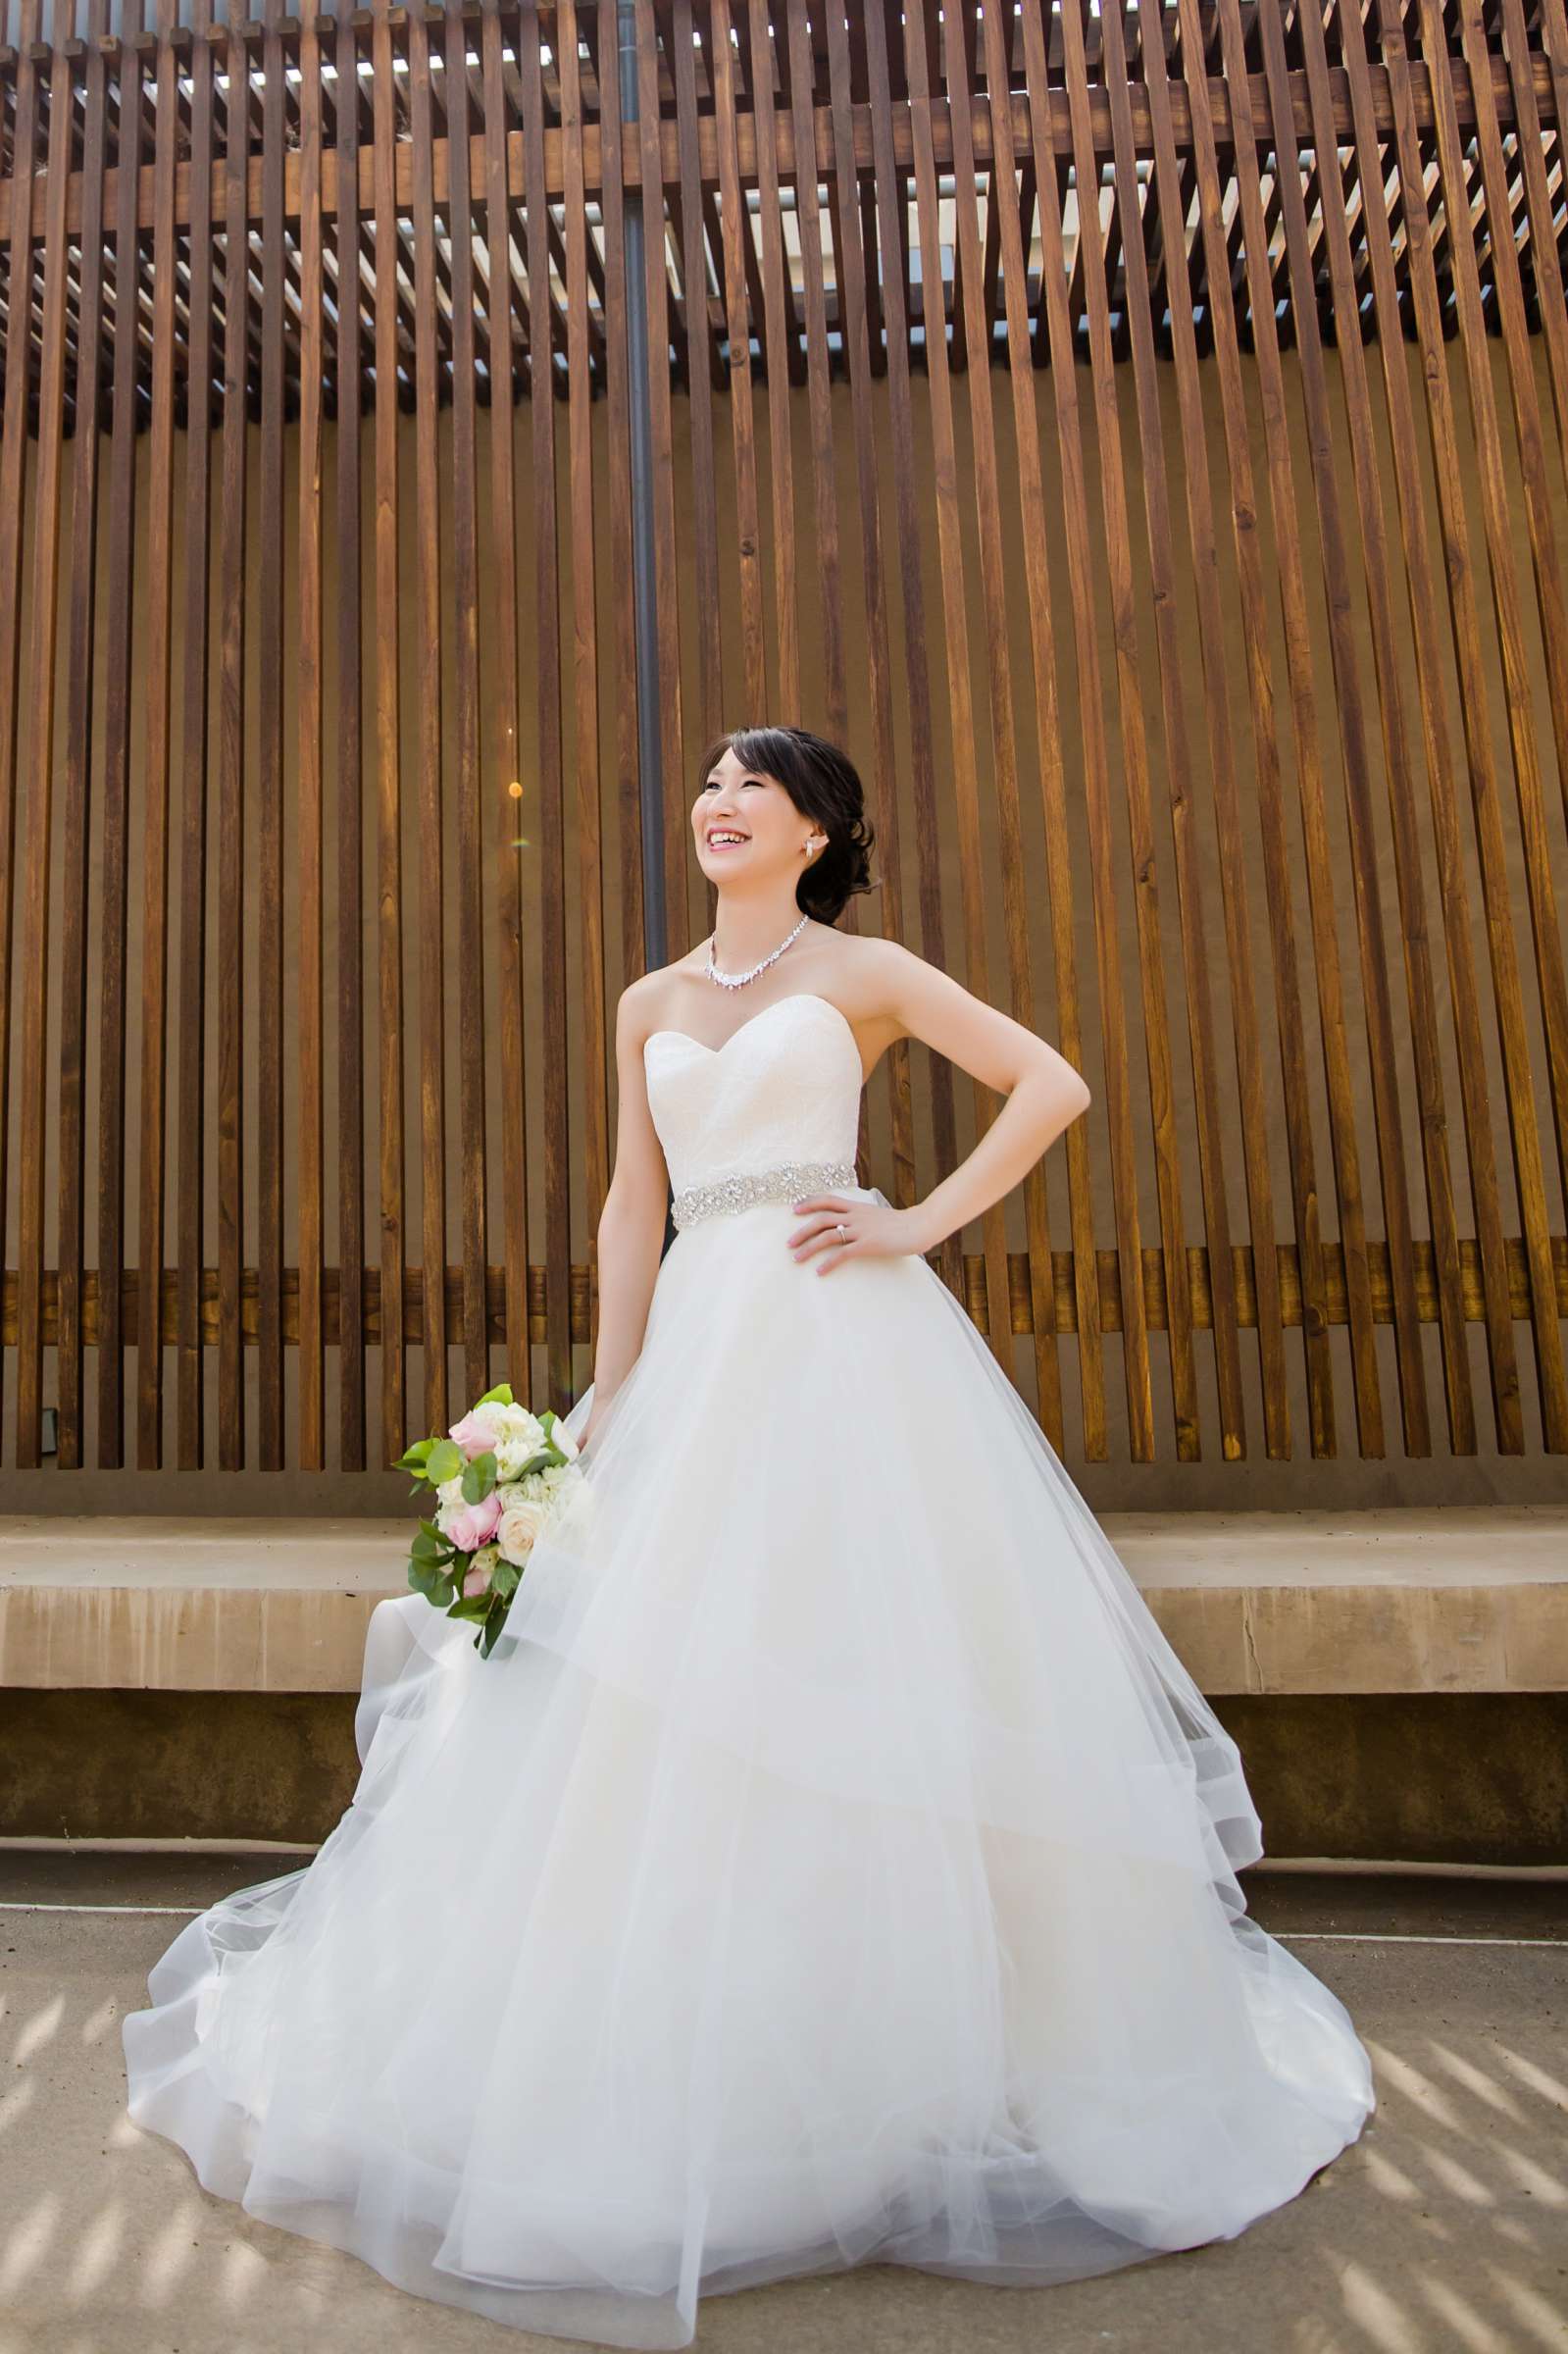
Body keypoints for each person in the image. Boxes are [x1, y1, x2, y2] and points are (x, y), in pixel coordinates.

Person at [122, 724, 1375, 2349]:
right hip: (692, 1357)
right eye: (708, 783)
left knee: (860, 1658)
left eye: (753, 787)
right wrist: (613, 1399)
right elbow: (629, 1205)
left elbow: (1050, 1083)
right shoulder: (647, 1002)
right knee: (649, 1697)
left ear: (817, 829)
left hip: (841, 1342)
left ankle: (932, 2053)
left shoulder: (866, 972)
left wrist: (914, 1220)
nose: (718, 803)